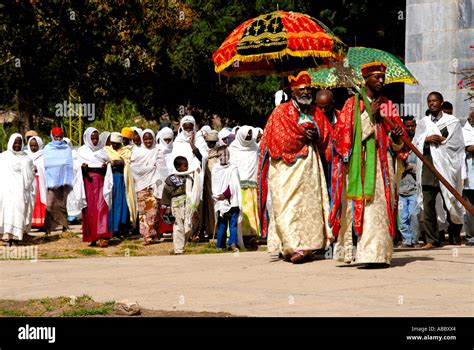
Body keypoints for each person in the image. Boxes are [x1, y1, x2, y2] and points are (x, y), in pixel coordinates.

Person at [329, 62, 407, 267]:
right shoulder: (351, 105)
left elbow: (399, 145)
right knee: (356, 210)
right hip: (358, 165)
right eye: (376, 77)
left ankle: (377, 254)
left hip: (382, 165)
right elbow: (341, 137)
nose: (381, 81)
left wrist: (397, 137)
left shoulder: (389, 105)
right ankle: (352, 251)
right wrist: (368, 115)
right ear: (366, 80)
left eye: (383, 77)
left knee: (379, 208)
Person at [258, 71, 333, 264]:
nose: (307, 92)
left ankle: (306, 248)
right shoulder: (280, 112)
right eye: (302, 89)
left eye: (309, 88)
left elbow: (328, 138)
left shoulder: (316, 112)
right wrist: (301, 135)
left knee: (308, 207)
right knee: (286, 206)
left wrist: (316, 136)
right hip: (284, 169)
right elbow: (277, 141)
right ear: (293, 92)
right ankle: (291, 245)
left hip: (309, 168)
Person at [413, 92, 465, 248]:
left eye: (434, 100)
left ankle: (455, 232)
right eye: (429, 101)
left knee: (451, 201)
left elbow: (457, 145)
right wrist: (426, 139)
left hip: (446, 169)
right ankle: (431, 239)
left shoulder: (452, 122)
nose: (431, 103)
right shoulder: (423, 123)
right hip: (428, 168)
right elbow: (415, 143)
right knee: (428, 205)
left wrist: (444, 142)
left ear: (441, 102)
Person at [77, 127, 113, 247]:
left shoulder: (102, 151)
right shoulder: (82, 151)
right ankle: (92, 236)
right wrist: (82, 168)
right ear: (87, 138)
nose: (95, 140)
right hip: (88, 183)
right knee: (90, 210)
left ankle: (102, 236)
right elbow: (76, 168)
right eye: (92, 138)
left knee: (102, 208)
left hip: (101, 182)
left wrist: (105, 166)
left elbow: (109, 164)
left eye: (96, 138)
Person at [130, 129, 167, 245]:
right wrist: (150, 167)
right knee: (143, 213)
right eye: (145, 139)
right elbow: (134, 169)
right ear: (142, 139)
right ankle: (146, 236)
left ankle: (154, 233)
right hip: (141, 186)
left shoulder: (158, 151)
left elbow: (163, 168)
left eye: (150, 138)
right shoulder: (137, 152)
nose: (148, 141)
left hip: (155, 186)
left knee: (154, 211)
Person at [162, 156, 202, 255]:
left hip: (188, 205)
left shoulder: (189, 178)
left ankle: (180, 245)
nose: (187, 168)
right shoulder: (171, 179)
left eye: (187, 166)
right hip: (176, 205)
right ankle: (178, 249)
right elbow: (166, 193)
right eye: (185, 166)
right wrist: (167, 207)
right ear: (178, 168)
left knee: (188, 226)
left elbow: (194, 190)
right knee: (178, 226)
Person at [0, 134, 35, 246]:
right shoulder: (3, 157)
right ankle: (7, 238)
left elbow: (30, 176)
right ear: (11, 143)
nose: (17, 145)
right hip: (6, 192)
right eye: (15, 142)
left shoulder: (27, 158)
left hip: (20, 192)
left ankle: (16, 238)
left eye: (19, 143)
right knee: (7, 213)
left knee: (18, 213)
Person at [229, 125, 260, 248]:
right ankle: (238, 235)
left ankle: (252, 234)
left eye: (249, 135)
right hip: (238, 185)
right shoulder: (233, 148)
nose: (248, 137)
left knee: (252, 210)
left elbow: (256, 164)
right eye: (246, 135)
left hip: (252, 185)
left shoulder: (254, 147)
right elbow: (232, 166)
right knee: (241, 210)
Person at [105, 132, 137, 238]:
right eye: (113, 143)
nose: (114, 146)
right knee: (111, 203)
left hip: (122, 179)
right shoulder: (106, 150)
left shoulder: (126, 151)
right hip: (110, 179)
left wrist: (116, 162)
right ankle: (111, 228)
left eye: (117, 144)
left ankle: (121, 228)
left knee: (122, 203)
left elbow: (125, 163)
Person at [43, 127, 74, 235]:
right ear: (52, 136)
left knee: (63, 204)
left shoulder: (67, 148)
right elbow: (46, 164)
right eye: (56, 137)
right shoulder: (47, 149)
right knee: (50, 204)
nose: (58, 139)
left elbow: (69, 164)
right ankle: (48, 229)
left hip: (64, 181)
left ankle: (65, 227)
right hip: (52, 181)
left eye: (60, 137)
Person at [212, 146, 242, 251]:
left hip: (232, 201)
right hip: (220, 203)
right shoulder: (215, 169)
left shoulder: (233, 168)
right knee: (222, 225)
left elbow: (234, 184)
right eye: (221, 155)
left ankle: (233, 243)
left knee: (233, 224)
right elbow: (215, 185)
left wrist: (225, 195)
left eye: (226, 154)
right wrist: (218, 196)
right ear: (217, 156)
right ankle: (220, 245)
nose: (224, 157)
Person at [398, 116, 419, 247]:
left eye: (412, 126)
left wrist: (412, 167)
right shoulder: (399, 144)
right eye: (408, 126)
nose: (410, 128)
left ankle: (415, 240)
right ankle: (406, 240)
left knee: (414, 215)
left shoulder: (418, 143)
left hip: (414, 187)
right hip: (401, 188)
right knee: (402, 217)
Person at [201, 130, 220, 239]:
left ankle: (216, 230)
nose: (211, 144)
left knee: (215, 207)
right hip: (206, 182)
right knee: (207, 207)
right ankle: (207, 230)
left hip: (216, 183)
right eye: (209, 142)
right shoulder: (204, 151)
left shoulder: (219, 151)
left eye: (213, 142)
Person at [26, 136, 47, 228]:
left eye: (35, 146)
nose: (33, 148)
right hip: (30, 181)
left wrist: (37, 168)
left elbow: (45, 168)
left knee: (39, 201)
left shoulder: (43, 156)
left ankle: (41, 222)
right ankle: (33, 222)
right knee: (32, 202)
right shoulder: (26, 156)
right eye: (31, 146)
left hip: (40, 181)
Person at [462, 111, 474, 246]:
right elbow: (466, 146)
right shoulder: (464, 131)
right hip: (470, 175)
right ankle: (471, 235)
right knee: (470, 207)